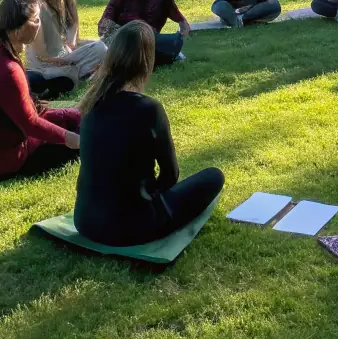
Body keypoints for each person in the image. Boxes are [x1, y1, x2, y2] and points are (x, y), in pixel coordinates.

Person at [73, 21, 225, 246]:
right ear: (147, 62)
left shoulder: (91, 104)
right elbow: (170, 175)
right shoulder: (149, 109)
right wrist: (144, 193)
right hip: (134, 227)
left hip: (85, 221)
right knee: (214, 176)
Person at [0, 0, 81, 182]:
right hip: (1, 162)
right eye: (35, 20)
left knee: (76, 117)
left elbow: (26, 113)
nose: (39, 24)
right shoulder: (6, 69)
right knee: (82, 140)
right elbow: (30, 124)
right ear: (16, 29)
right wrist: (72, 139)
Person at [25, 0, 107, 85]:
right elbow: (41, 55)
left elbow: (73, 35)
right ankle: (82, 74)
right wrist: (67, 60)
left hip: (66, 56)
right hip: (45, 65)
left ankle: (82, 73)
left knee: (102, 47)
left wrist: (72, 49)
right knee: (67, 73)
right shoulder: (38, 7)